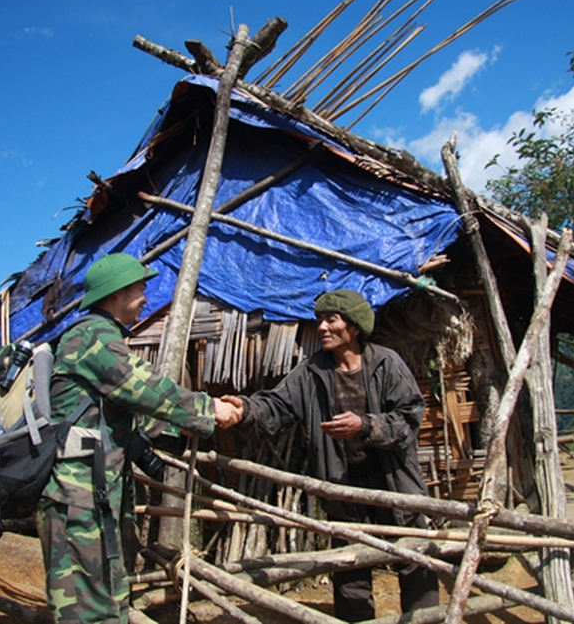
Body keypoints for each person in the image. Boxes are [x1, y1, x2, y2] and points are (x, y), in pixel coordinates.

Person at [35, 252, 243, 623]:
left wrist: (180, 427)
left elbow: (131, 411)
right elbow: (145, 390)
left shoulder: (99, 336)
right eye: (140, 287)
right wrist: (210, 410)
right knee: (87, 609)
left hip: (93, 492)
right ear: (117, 293)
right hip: (78, 496)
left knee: (108, 598)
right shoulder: (92, 336)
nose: (146, 295)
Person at [222, 289, 438, 622]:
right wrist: (246, 410)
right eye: (320, 319)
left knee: (414, 560)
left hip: (395, 485)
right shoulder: (311, 372)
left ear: (354, 327)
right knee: (350, 566)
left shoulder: (386, 364)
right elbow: (277, 406)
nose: (322, 327)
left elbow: (410, 418)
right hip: (344, 486)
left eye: (331, 319)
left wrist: (365, 426)